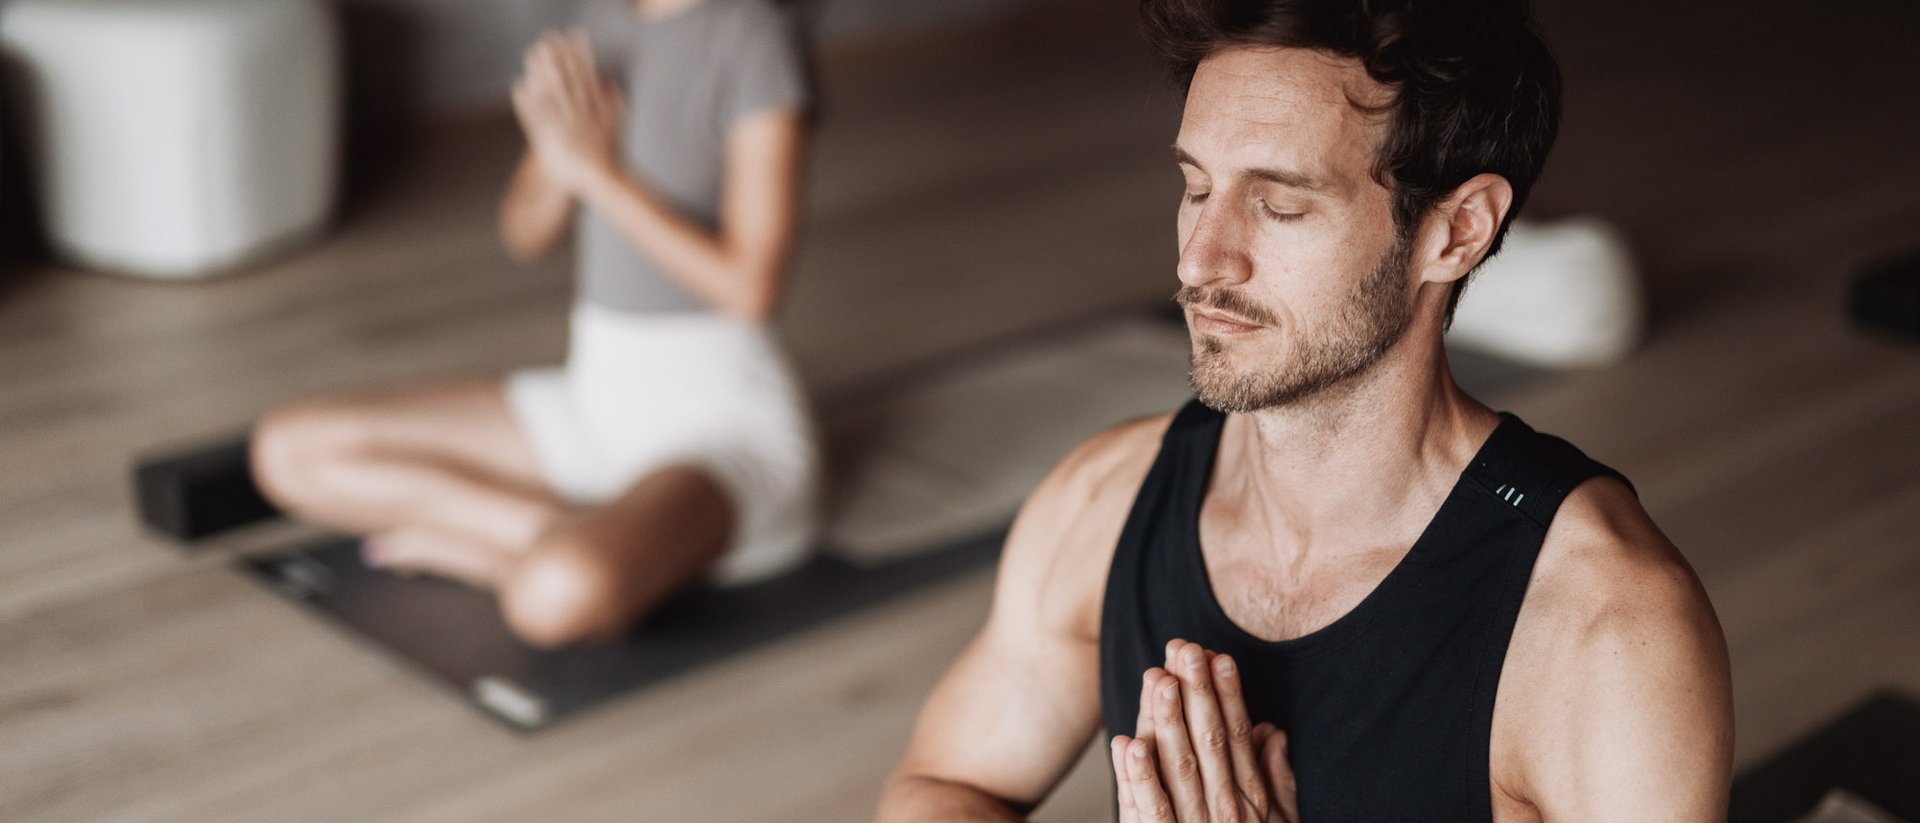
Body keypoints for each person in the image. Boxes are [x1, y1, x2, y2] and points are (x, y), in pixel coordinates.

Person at [876, 0, 1732, 820]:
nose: (1203, 261)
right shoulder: (1102, 501)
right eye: (1196, 187)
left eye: (1279, 203)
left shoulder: (1607, 629)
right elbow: (941, 784)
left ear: (1458, 230)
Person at [249, 0, 817, 648]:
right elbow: (524, 233)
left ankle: (503, 552)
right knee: (287, 452)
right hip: (594, 402)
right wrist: (558, 158)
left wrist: (599, 176)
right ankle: (569, 529)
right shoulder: (599, 23)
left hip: (721, 429)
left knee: (557, 596)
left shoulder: (753, 35)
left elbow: (750, 289)